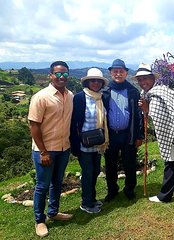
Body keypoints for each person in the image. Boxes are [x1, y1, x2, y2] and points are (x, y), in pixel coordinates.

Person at [28, 61, 74, 237]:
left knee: (57, 182)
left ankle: (53, 212)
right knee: (42, 186)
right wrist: (44, 152)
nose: (61, 77)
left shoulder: (69, 95)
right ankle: (39, 221)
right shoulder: (41, 97)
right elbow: (34, 125)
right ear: (51, 75)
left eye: (64, 74)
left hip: (64, 147)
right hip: (46, 149)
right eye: (58, 74)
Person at [135, 63, 174, 203]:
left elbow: (160, 117)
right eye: (140, 80)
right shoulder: (148, 93)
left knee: (171, 161)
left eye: (145, 78)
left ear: (153, 78)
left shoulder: (158, 93)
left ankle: (165, 196)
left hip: (173, 130)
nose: (142, 82)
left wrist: (147, 109)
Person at [102, 59, 143, 202]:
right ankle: (112, 190)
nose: (118, 74)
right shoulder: (105, 92)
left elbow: (138, 115)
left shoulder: (132, 91)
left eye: (121, 71)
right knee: (110, 164)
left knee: (129, 162)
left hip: (128, 134)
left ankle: (129, 189)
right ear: (111, 73)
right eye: (115, 71)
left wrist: (139, 135)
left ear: (126, 73)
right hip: (111, 135)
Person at [70, 68, 109, 214]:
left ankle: (92, 198)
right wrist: (75, 145)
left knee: (95, 171)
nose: (96, 83)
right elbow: (74, 123)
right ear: (87, 82)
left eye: (98, 81)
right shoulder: (80, 98)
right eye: (93, 80)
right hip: (84, 144)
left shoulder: (101, 97)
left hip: (98, 142)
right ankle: (86, 202)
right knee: (87, 172)